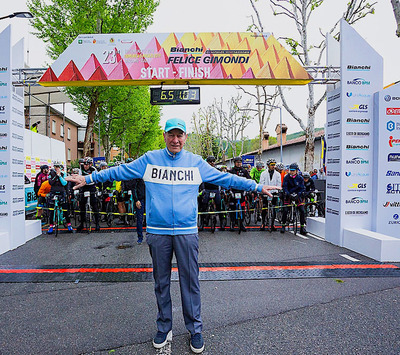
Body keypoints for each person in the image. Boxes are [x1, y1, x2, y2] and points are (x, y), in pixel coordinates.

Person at [66, 118, 278, 354]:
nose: (175, 140)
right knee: (161, 282)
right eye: (171, 135)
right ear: (165, 136)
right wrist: (89, 178)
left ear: (185, 137)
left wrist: (257, 187)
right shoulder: (149, 159)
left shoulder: (196, 163)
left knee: (191, 282)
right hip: (158, 232)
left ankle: (195, 330)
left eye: (180, 135)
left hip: (187, 232)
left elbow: (226, 178)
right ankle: (164, 326)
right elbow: (120, 171)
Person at [198, 156, 225, 231]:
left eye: (213, 161)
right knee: (203, 205)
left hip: (215, 190)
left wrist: (222, 189)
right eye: (210, 161)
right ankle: (202, 223)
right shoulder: (203, 170)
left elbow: (222, 181)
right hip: (206, 189)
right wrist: (202, 189)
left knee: (219, 205)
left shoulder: (217, 170)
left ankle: (222, 221)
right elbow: (201, 181)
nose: (212, 163)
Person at [47, 161, 73, 234]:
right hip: (53, 192)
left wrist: (59, 176)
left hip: (62, 192)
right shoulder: (51, 173)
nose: (57, 168)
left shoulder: (63, 173)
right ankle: (51, 226)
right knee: (51, 210)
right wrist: (56, 175)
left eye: (58, 167)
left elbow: (64, 183)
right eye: (56, 167)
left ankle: (69, 224)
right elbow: (50, 182)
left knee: (65, 209)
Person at [281, 163, 307, 236]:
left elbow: (302, 188)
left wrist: (298, 194)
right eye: (291, 170)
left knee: (302, 210)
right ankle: (283, 225)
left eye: (293, 170)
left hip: (297, 195)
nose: (292, 172)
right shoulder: (286, 177)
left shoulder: (300, 178)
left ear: (296, 171)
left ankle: (302, 227)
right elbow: (284, 187)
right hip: (289, 195)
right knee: (285, 210)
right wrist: (288, 194)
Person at [76, 157, 100, 232]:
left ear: (90, 164)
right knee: (82, 206)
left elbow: (97, 179)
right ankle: (82, 224)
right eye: (84, 164)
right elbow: (79, 178)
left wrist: (98, 188)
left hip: (92, 187)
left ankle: (97, 224)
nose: (85, 166)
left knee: (95, 206)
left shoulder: (93, 169)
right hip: (84, 187)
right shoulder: (81, 169)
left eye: (87, 164)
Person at [228, 156, 251, 232]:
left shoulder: (244, 171)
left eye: (240, 162)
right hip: (233, 191)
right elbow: (228, 181)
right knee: (233, 208)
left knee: (242, 209)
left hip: (242, 191)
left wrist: (247, 189)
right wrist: (229, 191)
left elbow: (249, 180)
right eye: (237, 162)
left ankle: (241, 224)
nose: (239, 164)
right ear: (235, 163)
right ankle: (232, 223)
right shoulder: (231, 171)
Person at [259, 158, 281, 231]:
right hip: (265, 192)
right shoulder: (263, 173)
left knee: (274, 208)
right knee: (264, 208)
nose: (273, 166)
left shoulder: (277, 174)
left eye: (274, 165)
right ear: (268, 165)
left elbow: (279, 184)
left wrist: (277, 191)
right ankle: (263, 223)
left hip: (274, 193)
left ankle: (273, 224)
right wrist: (262, 191)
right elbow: (261, 183)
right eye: (272, 165)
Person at [132, 178, 145, 244]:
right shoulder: (137, 177)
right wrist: (136, 200)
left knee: (152, 219)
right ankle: (140, 237)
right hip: (140, 200)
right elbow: (133, 189)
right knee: (140, 219)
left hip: (149, 199)